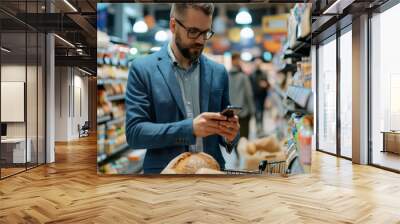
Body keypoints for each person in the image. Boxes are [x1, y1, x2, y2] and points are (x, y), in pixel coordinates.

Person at [125, 3, 240, 174]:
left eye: (206, 32)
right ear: (173, 26)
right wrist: (190, 129)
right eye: (193, 32)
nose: (201, 40)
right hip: (164, 180)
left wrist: (230, 135)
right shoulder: (143, 69)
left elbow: (225, 134)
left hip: (212, 175)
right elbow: (135, 133)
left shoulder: (218, 72)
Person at [228, 52, 255, 139]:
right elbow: (249, 94)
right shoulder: (243, 76)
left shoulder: (226, 76)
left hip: (231, 112)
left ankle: (236, 151)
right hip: (244, 112)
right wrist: (252, 110)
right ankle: (242, 152)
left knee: (233, 136)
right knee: (244, 137)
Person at [250, 58, 270, 137]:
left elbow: (268, 85)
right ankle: (258, 128)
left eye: (259, 64)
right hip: (255, 97)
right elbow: (250, 87)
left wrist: (265, 85)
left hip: (262, 97)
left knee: (261, 112)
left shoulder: (264, 74)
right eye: (256, 64)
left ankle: (261, 128)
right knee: (257, 113)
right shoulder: (252, 75)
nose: (257, 65)